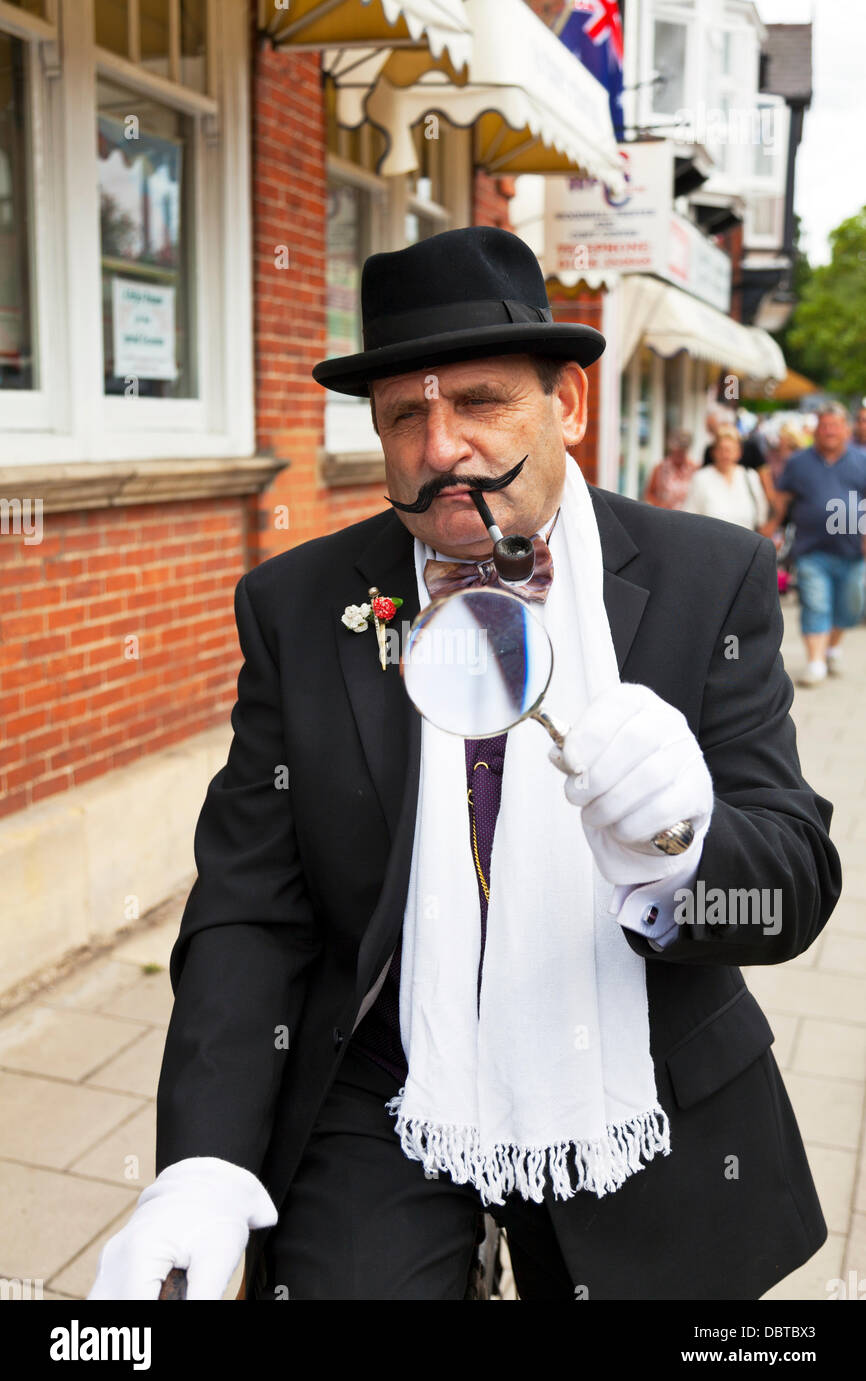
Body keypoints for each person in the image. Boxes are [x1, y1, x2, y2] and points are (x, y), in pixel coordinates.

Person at [89, 226, 839, 1302]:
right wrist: (201, 1160)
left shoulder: (706, 578)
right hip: (393, 1068)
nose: (442, 446)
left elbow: (795, 884)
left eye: (480, 401)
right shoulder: (301, 605)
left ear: (566, 406)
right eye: (406, 414)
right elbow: (252, 901)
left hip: (635, 1073)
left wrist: (682, 848)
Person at [774, 402, 866, 687]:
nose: (829, 431)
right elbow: (783, 498)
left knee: (851, 606)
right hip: (811, 549)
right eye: (824, 426)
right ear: (816, 430)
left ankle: (832, 647)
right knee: (816, 602)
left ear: (846, 429)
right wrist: (774, 527)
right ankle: (815, 662)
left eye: (835, 426)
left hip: (854, 550)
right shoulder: (799, 462)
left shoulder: (861, 461)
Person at [682, 428, 770, 531]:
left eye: (730, 449)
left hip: (745, 543)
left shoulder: (750, 476)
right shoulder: (701, 478)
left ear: (739, 452)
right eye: (721, 449)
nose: (726, 454)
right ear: (713, 452)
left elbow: (761, 515)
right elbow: (690, 516)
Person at [643, 428, 698, 509]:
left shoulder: (694, 469)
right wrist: (660, 506)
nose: (680, 454)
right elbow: (649, 495)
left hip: (687, 515)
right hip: (665, 515)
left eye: (683, 451)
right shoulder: (660, 468)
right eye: (677, 450)